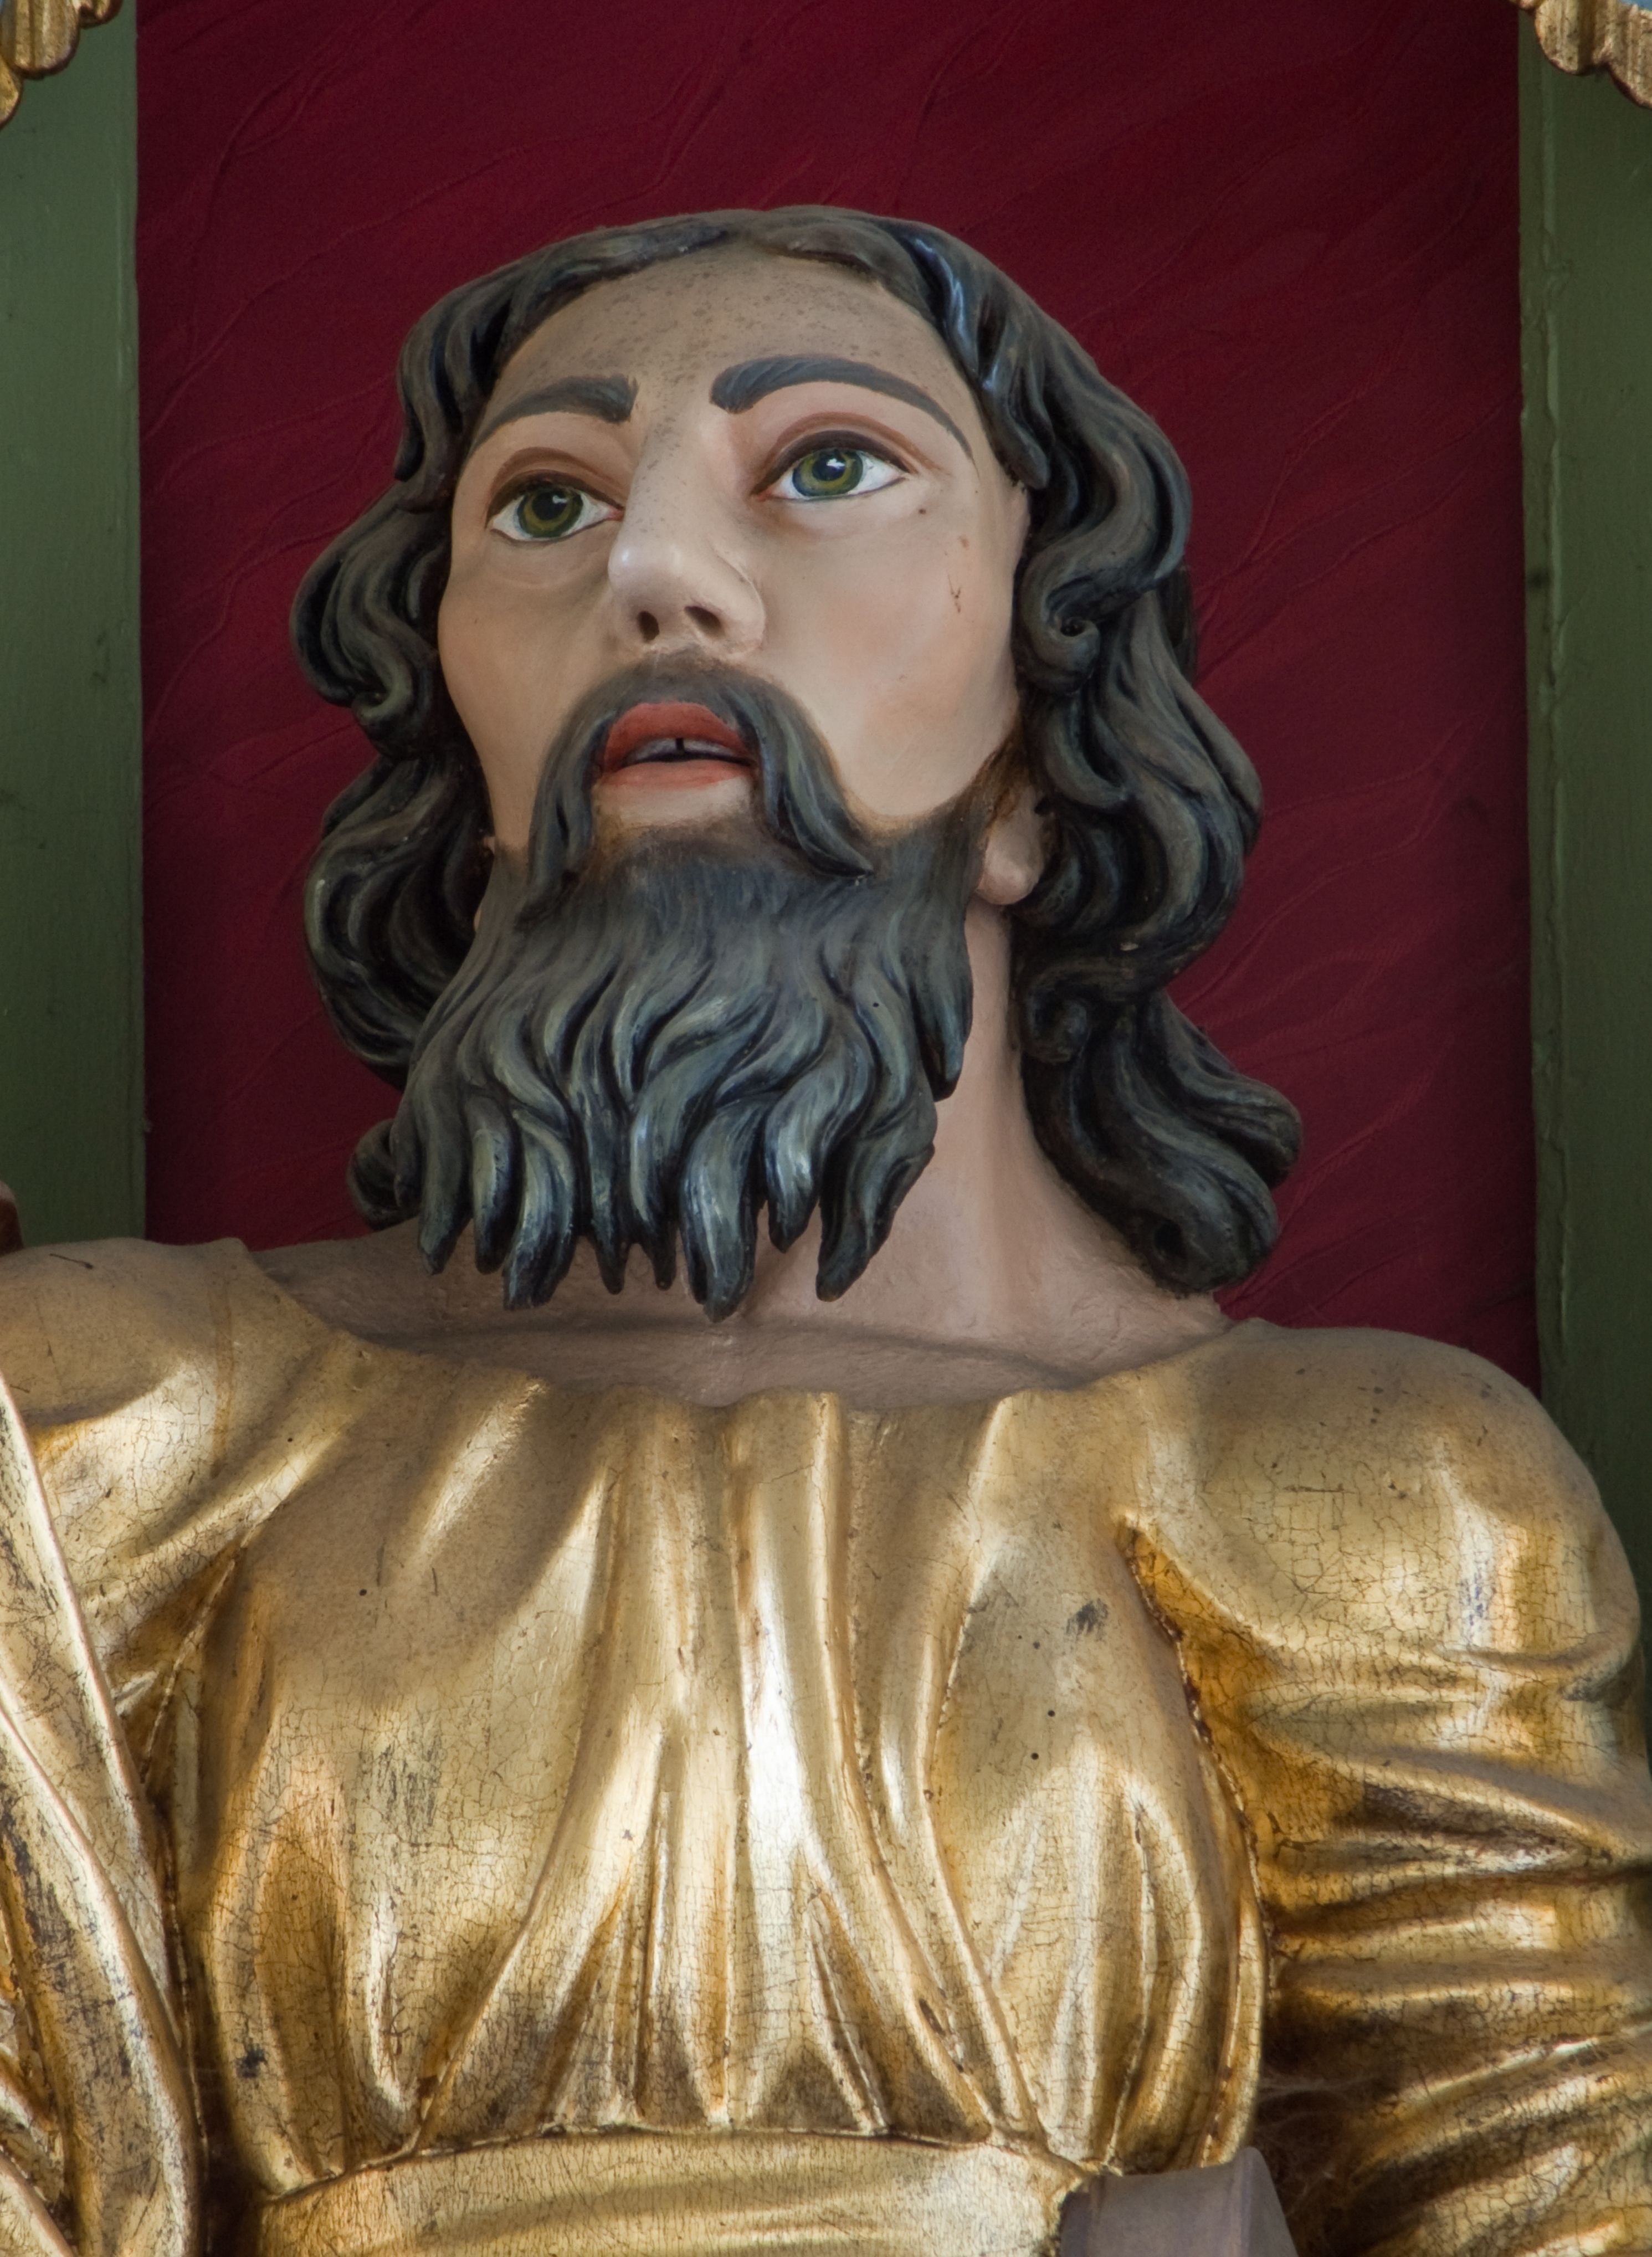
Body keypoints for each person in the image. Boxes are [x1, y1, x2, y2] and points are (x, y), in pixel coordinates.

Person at [1, 208, 1648, 2257]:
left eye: (826, 465)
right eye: (546, 503)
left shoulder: (1366, 1495)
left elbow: (1547, 2196)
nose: (653, 570)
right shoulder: (102, 1439)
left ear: (1044, 721)